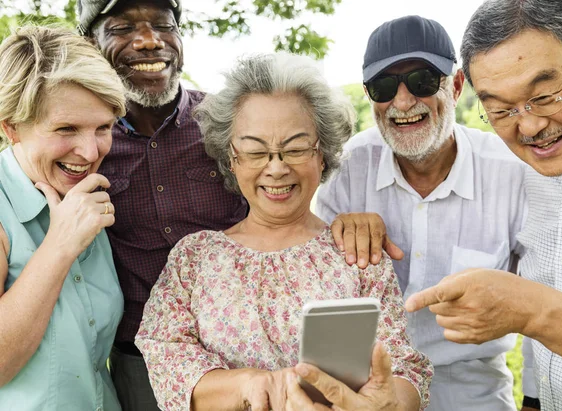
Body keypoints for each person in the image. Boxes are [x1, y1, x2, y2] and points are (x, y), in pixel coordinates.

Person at [76, 1, 402, 409]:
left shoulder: (228, 115)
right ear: (231, 156)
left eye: (163, 24)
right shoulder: (88, 140)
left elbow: (401, 371)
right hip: (144, 359)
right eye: (123, 27)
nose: (147, 40)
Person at [134, 52, 433, 411]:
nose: (276, 169)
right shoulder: (194, 259)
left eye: (294, 149)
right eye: (255, 151)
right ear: (231, 157)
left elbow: (403, 367)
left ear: (323, 154)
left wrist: (390, 403)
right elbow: (166, 356)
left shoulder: (356, 254)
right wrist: (252, 385)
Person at [316, 15, 529, 411]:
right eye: (383, 86)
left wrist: (533, 398)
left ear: (458, 85)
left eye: (422, 81)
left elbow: (543, 295)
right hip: (367, 387)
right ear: (370, 95)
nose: (402, 102)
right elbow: (308, 283)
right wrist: (332, 233)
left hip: (473, 389)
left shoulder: (512, 172)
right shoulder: (344, 172)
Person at [405, 0, 562, 410]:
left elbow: (534, 309)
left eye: (546, 95)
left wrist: (528, 308)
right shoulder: (528, 171)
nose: (528, 126)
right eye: (500, 110)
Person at [0, 26, 126, 410]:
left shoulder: (85, 193)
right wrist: (60, 244)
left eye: (103, 127)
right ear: (11, 127)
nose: (90, 152)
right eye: (66, 128)